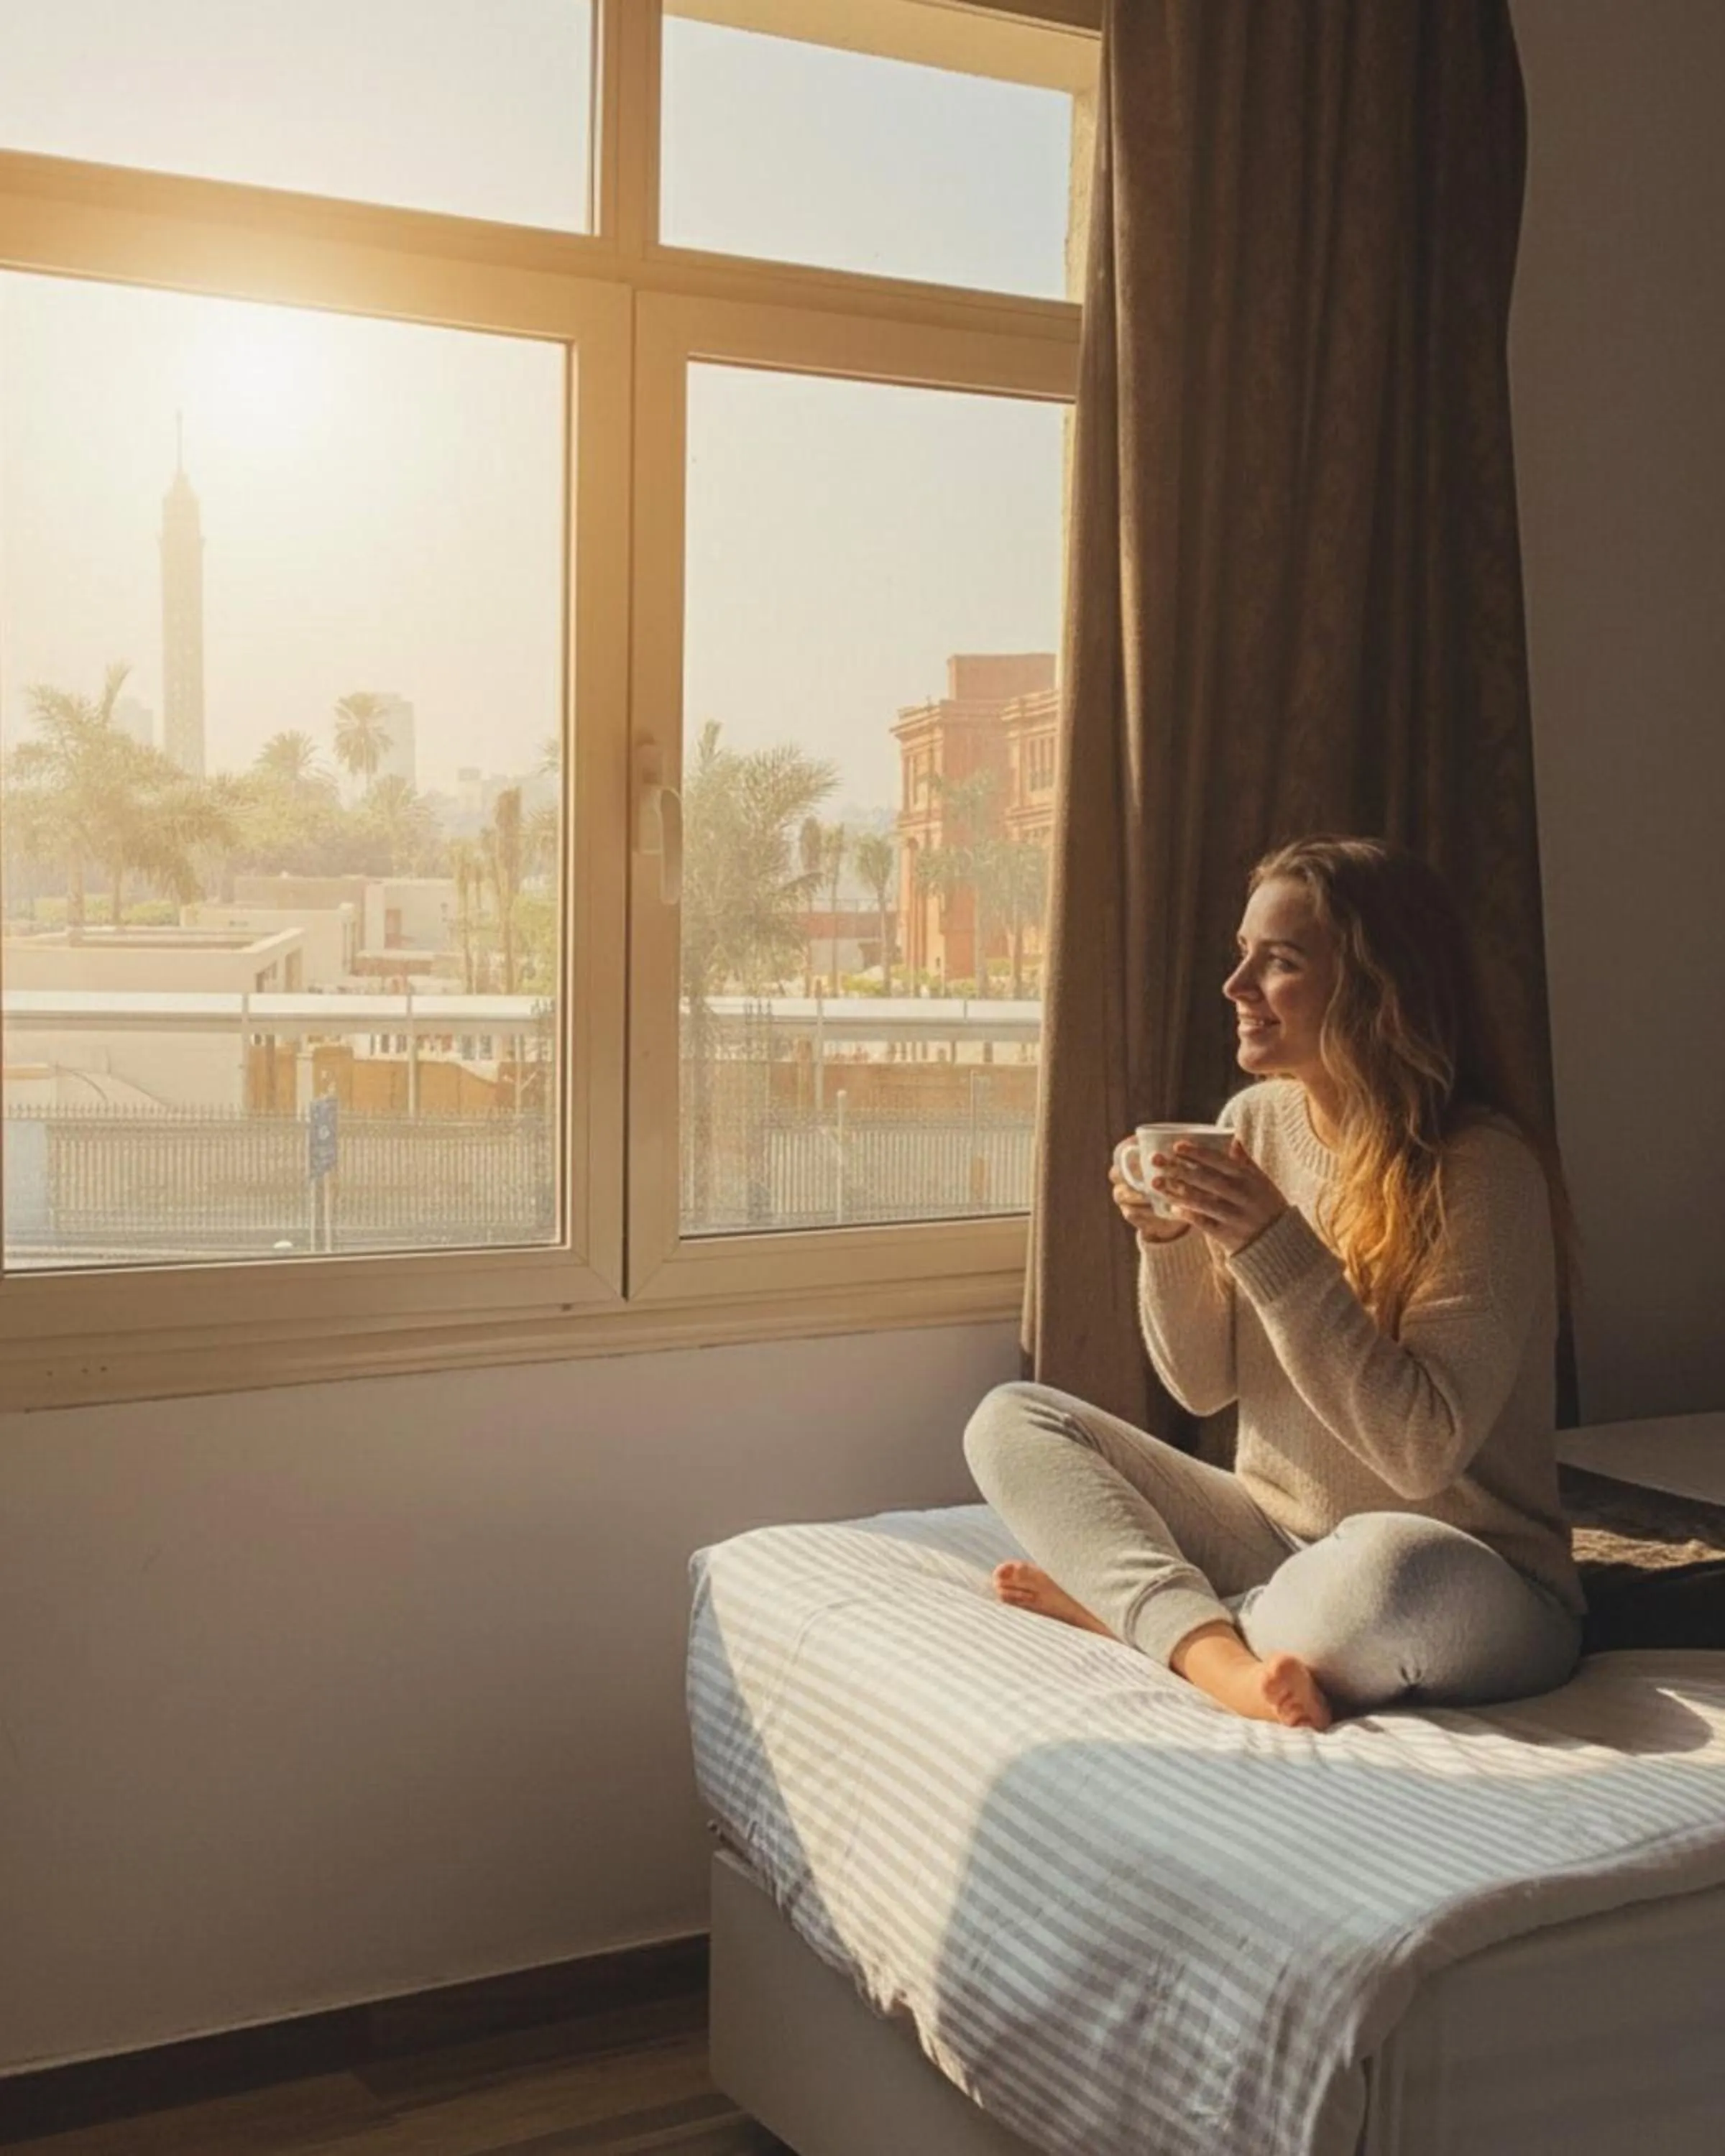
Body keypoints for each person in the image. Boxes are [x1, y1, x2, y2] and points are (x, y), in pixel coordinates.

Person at [964, 835, 1586, 1731]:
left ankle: (1150, 1616)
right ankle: (1213, 1653)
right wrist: (1174, 1241)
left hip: (1472, 1570)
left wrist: (1271, 1242)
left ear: (1380, 990)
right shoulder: (1251, 1123)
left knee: (1393, 1580)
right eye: (1241, 954)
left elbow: (1420, 1452)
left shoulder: (1482, 1172)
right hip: (1274, 1529)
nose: (1237, 986)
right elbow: (1200, 1384)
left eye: (1280, 961)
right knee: (1014, 1420)